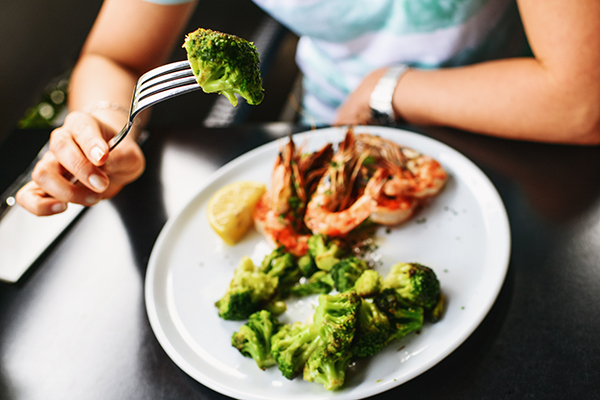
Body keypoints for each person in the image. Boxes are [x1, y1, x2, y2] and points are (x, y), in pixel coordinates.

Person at [16, 0, 600, 216]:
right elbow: (117, 57)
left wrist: (388, 85)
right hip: (327, 129)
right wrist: (107, 125)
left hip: (519, 136)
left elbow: (582, 102)